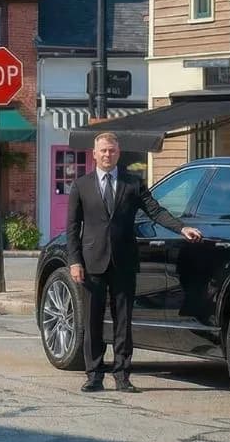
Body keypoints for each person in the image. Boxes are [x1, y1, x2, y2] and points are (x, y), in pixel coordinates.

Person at [66, 131, 203, 393]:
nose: (108, 155)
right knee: (93, 321)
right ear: (94, 154)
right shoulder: (81, 186)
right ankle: (94, 374)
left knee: (123, 321)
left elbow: (156, 211)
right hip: (92, 262)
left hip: (124, 262)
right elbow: (72, 227)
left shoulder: (133, 184)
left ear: (119, 153)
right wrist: (75, 261)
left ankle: (122, 376)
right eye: (103, 151)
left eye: (112, 151)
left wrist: (181, 228)